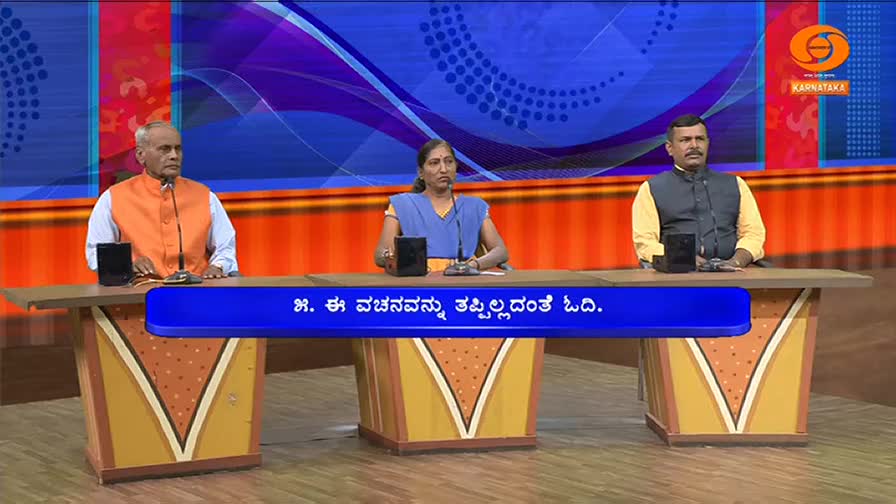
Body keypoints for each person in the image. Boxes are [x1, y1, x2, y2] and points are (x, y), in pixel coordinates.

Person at [85, 121, 238, 279]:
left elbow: (225, 247)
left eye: (178, 149)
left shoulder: (204, 196)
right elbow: (96, 254)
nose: (174, 156)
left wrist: (217, 267)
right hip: (140, 291)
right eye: (164, 149)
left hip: (196, 289)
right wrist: (127, 265)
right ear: (140, 155)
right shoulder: (113, 198)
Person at [631, 114, 766, 269]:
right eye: (685, 140)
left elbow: (753, 234)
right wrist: (684, 258)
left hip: (733, 271)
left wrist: (737, 261)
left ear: (708, 143)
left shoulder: (736, 184)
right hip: (677, 272)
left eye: (700, 139)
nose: (694, 145)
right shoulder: (652, 188)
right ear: (670, 148)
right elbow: (645, 243)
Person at [374, 139, 509, 272]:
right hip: (419, 281)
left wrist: (473, 265)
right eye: (434, 163)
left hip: (464, 279)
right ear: (421, 172)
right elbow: (380, 254)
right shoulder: (402, 205)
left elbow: (500, 251)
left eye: (449, 162)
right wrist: (399, 260)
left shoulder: (475, 206)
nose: (444, 169)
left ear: (456, 168)